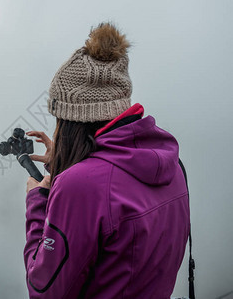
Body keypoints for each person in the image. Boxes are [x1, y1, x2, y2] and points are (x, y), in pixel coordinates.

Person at [24, 22, 190, 299]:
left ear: (70, 118)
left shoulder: (80, 185)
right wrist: (66, 163)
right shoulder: (170, 162)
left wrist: (37, 201)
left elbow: (44, 289)